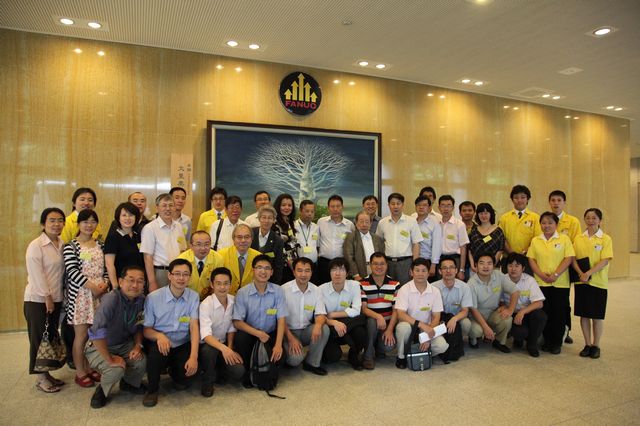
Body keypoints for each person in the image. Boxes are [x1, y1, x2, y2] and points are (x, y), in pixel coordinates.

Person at [85, 265, 147, 408]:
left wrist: (138, 346)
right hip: (99, 345)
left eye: (140, 281)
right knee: (115, 369)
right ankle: (102, 390)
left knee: (140, 361)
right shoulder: (111, 299)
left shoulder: (142, 300)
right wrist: (110, 359)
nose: (135, 285)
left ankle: (128, 384)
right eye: (131, 280)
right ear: (120, 282)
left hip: (124, 344)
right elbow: (97, 333)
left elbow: (139, 326)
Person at [142, 258, 200, 407]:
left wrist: (193, 357)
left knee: (184, 381)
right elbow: (146, 330)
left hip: (182, 342)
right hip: (161, 342)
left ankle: (173, 370)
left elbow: (194, 327)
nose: (181, 278)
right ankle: (152, 390)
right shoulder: (153, 298)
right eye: (177, 274)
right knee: (155, 356)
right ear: (169, 275)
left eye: (185, 274)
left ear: (190, 277)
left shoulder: (193, 297)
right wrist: (159, 336)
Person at [63, 209, 110, 387]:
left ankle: (90, 368)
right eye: (85, 222)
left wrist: (104, 284)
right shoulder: (71, 246)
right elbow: (72, 271)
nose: (89, 225)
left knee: (95, 334)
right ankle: (80, 372)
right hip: (81, 296)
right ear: (78, 224)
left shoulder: (100, 244)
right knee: (81, 336)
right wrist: (93, 287)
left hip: (100, 294)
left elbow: (106, 268)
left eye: (92, 222)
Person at [24, 207, 66, 393]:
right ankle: (40, 378)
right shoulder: (36, 245)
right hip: (38, 300)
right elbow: (37, 274)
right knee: (38, 338)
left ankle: (46, 373)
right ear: (43, 223)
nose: (56, 224)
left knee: (49, 337)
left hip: (56, 298)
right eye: (52, 220)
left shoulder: (61, 244)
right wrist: (47, 297)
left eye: (60, 220)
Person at [232, 255, 288, 388]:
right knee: (241, 337)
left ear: (272, 272)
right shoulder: (243, 292)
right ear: (253, 270)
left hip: (270, 334)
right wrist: (258, 334)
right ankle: (248, 371)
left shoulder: (278, 291)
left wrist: (278, 345)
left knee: (281, 358)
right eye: (259, 268)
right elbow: (237, 322)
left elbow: (281, 319)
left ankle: (265, 371)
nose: (263, 271)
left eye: (267, 268)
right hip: (250, 334)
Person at [527, 212, 575, 354]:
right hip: (541, 283)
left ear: (556, 224)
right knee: (545, 312)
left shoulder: (564, 239)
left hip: (560, 283)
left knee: (559, 313)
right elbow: (531, 259)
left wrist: (555, 275)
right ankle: (546, 341)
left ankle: (556, 342)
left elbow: (568, 258)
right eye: (543, 223)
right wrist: (541, 275)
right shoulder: (536, 240)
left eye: (550, 223)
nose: (546, 226)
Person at [571, 208, 613, 359]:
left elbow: (605, 260)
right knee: (584, 315)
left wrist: (588, 273)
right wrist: (581, 273)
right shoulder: (578, 238)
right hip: (581, 281)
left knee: (596, 316)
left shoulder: (605, 239)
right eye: (588, 218)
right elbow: (573, 258)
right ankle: (587, 344)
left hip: (598, 282)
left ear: (600, 220)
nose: (590, 221)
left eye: (594, 218)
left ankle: (596, 345)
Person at [394, 258, 449, 369]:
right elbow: (401, 314)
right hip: (409, 326)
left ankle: (421, 352)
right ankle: (401, 356)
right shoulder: (404, 289)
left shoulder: (435, 291)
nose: (420, 274)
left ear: (429, 273)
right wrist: (421, 325)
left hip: (427, 328)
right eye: (417, 270)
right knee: (402, 328)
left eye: (424, 270)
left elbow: (436, 316)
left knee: (442, 346)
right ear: (411, 272)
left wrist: (427, 337)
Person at [198, 267, 245, 397]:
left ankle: (218, 370)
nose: (222, 287)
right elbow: (206, 335)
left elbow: (231, 327)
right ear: (212, 285)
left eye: (226, 283)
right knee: (209, 351)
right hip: (208, 345)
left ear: (230, 284)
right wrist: (225, 349)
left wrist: (229, 348)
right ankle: (207, 383)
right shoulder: (206, 304)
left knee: (238, 371)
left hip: (224, 344)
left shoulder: (233, 300)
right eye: (218, 283)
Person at [282, 258, 330, 375]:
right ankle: (289, 355)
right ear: (293, 272)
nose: (303, 274)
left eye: (307, 271)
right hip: (287, 332)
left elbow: (320, 313)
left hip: (306, 330)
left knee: (324, 328)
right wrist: (291, 338)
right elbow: (279, 319)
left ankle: (311, 363)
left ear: (311, 273)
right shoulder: (283, 290)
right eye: (299, 270)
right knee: (295, 360)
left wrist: (317, 326)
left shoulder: (316, 290)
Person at [318, 257, 367, 370]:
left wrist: (333, 315)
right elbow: (320, 315)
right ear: (329, 273)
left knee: (361, 328)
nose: (338, 273)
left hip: (347, 323)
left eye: (342, 269)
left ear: (347, 273)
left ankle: (353, 355)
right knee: (332, 356)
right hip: (329, 326)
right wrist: (334, 322)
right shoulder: (321, 289)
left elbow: (356, 310)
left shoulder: (355, 285)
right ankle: (346, 344)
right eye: (334, 269)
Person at [467, 253, 520, 353]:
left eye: (489, 263)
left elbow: (515, 291)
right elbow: (473, 309)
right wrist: (485, 328)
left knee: (507, 319)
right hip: (476, 316)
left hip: (492, 313)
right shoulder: (471, 283)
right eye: (482, 263)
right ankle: (473, 338)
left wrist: (510, 310)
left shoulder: (498, 275)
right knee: (477, 331)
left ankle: (499, 342)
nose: (486, 266)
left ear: (493, 265)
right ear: (476, 265)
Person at [549, 189, 582, 344]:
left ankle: (566, 329)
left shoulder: (572, 221)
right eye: (553, 200)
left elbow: (576, 244)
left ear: (564, 202)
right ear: (549, 203)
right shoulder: (546, 219)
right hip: (547, 266)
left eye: (559, 200)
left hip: (565, 266)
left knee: (564, 300)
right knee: (549, 300)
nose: (556, 203)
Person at [359, 253, 400, 369]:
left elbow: (396, 310)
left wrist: (390, 330)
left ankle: (378, 348)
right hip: (370, 325)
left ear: (387, 265)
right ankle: (368, 357)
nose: (379, 267)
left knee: (389, 346)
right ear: (370, 265)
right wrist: (378, 316)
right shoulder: (362, 284)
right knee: (372, 321)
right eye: (375, 264)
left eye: (382, 264)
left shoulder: (395, 284)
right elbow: (363, 308)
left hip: (387, 325)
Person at [503, 253, 547, 357]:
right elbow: (498, 301)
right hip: (512, 314)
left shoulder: (529, 280)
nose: (513, 269)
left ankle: (532, 344)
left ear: (523, 268)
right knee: (520, 333)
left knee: (540, 316)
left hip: (527, 313)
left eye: (517, 266)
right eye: (510, 265)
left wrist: (522, 312)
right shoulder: (502, 280)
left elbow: (539, 303)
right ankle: (517, 338)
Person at [140, 194, 186, 292]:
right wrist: (152, 282)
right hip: (160, 272)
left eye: (171, 205)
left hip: (178, 273)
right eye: (164, 205)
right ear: (157, 207)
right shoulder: (150, 228)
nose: (168, 209)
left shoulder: (178, 226)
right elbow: (147, 257)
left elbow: (183, 250)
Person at [376, 193, 423, 285]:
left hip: (406, 263)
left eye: (398, 203)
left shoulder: (411, 221)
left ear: (403, 205)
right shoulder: (382, 222)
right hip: (387, 262)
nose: (395, 206)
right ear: (388, 205)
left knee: (405, 288)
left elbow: (416, 244)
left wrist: (414, 266)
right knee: (388, 288)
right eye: (393, 204)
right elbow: (378, 243)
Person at [432, 258, 473, 360]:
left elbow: (465, 311)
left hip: (457, 318)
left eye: (451, 267)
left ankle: (458, 342)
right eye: (445, 268)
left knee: (466, 323)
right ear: (440, 271)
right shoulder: (433, 287)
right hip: (439, 319)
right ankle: (445, 341)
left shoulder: (464, 287)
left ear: (456, 270)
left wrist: (454, 319)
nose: (448, 271)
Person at [104, 202, 144, 290]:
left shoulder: (138, 235)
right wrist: (115, 286)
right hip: (122, 284)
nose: (127, 218)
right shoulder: (113, 236)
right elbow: (109, 264)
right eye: (124, 215)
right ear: (118, 217)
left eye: (131, 215)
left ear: (136, 217)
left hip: (137, 283)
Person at [317, 195, 355, 284]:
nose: (335, 209)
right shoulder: (321, 222)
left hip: (341, 263)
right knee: (323, 287)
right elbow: (317, 242)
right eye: (332, 206)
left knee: (340, 287)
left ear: (342, 207)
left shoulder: (349, 225)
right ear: (328, 208)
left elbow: (352, 245)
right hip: (324, 263)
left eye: (338, 206)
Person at [177, 231, 224, 298]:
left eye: (207, 244)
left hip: (209, 299)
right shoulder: (181, 260)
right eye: (198, 244)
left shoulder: (218, 259)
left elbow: (219, 284)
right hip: (186, 298)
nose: (203, 248)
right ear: (191, 246)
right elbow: (178, 285)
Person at [217, 224, 261, 295]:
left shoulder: (259, 257)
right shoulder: (221, 255)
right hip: (226, 297)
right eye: (239, 237)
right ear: (233, 239)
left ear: (252, 239)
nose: (243, 240)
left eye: (247, 237)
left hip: (250, 297)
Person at [498, 184, 542, 255]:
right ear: (512, 200)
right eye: (516, 198)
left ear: (528, 199)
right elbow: (501, 238)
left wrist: (525, 252)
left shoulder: (536, 217)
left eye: (523, 197)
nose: (519, 200)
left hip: (529, 257)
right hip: (508, 257)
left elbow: (537, 238)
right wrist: (511, 253)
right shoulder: (504, 218)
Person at [343, 210, 385, 281]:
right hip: (358, 271)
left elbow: (382, 256)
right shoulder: (351, 237)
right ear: (356, 223)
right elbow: (349, 257)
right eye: (361, 221)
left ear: (371, 223)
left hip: (376, 269)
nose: (364, 224)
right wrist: (355, 275)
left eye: (367, 222)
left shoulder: (377, 238)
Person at [437, 195, 469, 281]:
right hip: (439, 259)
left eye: (448, 205)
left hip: (455, 259)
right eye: (443, 205)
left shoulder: (459, 224)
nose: (445, 208)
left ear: (453, 208)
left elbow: (463, 248)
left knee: (455, 284)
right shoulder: (436, 224)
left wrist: (461, 269)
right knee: (439, 285)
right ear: (439, 208)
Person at [251, 206, 285, 284]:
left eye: (270, 218)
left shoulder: (278, 240)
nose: (266, 221)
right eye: (264, 217)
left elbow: (278, 266)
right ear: (259, 218)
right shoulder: (250, 234)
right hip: (249, 277)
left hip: (268, 280)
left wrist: (275, 284)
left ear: (274, 220)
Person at [468, 203, 505, 273]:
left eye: (486, 213)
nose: (483, 216)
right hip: (475, 269)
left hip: (493, 269)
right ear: (477, 215)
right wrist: (472, 265)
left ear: (491, 214)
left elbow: (500, 250)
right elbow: (470, 250)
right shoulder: (473, 230)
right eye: (481, 213)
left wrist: (492, 265)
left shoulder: (498, 231)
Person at [412, 195, 442, 279]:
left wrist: (433, 265)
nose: (421, 207)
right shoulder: (411, 221)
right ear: (415, 207)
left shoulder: (434, 223)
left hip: (427, 261)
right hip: (412, 260)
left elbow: (437, 246)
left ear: (429, 207)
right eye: (419, 205)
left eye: (424, 205)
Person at [273, 193, 299, 284]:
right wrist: (291, 264)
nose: (287, 208)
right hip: (283, 266)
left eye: (289, 205)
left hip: (293, 264)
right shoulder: (274, 223)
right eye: (283, 205)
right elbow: (280, 248)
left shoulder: (290, 222)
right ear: (278, 206)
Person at [294, 200, 320, 269]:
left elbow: (317, 246)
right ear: (300, 211)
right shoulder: (293, 226)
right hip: (298, 266)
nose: (310, 214)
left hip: (314, 265)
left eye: (312, 211)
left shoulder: (316, 227)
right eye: (307, 211)